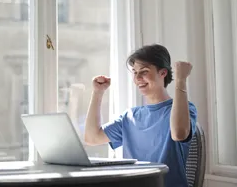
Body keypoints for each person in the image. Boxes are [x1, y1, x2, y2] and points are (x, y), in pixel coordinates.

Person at [84, 44, 197, 187]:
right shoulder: (130, 117)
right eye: (134, 72)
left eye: (144, 72)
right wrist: (97, 93)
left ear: (163, 73)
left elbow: (179, 134)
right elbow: (92, 137)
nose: (137, 78)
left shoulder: (184, 109)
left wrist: (181, 79)